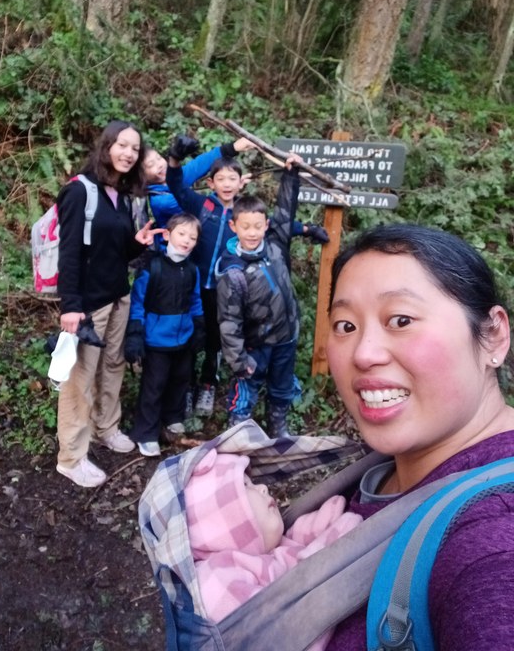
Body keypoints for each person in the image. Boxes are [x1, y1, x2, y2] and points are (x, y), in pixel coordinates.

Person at [323, 222, 513, 651]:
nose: (364, 353)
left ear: (493, 336)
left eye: (401, 319)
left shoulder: (494, 537)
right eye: (345, 325)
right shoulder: (387, 470)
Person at [55, 119, 163, 488]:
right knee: (79, 378)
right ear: (106, 146)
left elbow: (114, 250)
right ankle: (71, 456)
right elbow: (68, 253)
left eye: (135, 148)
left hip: (119, 294)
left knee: (113, 365)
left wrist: (138, 243)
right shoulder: (78, 192)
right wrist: (70, 306)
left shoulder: (119, 196)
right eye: (122, 145)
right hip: (88, 304)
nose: (129, 153)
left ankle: (107, 427)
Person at [184, 448, 361, 649]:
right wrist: (329, 550)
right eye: (245, 485)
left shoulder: (259, 553)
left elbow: (287, 555)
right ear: (218, 519)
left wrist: (317, 526)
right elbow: (283, 633)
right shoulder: (213, 579)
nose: (262, 488)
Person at [214, 154, 304, 438]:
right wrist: (239, 361)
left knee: (282, 387)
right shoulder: (233, 270)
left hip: (285, 338)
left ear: (266, 225)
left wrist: (291, 176)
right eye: (245, 227)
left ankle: (278, 427)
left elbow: (286, 212)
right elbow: (228, 322)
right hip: (255, 345)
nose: (252, 233)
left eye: (258, 226)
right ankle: (238, 432)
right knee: (246, 390)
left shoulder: (276, 246)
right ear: (234, 227)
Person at [166, 136, 251, 418]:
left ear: (241, 183)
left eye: (232, 178)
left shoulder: (243, 214)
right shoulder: (201, 205)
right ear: (211, 183)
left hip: (223, 290)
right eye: (221, 178)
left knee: (216, 340)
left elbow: (271, 226)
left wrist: (306, 229)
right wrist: (174, 161)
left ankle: (207, 384)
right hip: (192, 286)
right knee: (190, 337)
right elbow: (176, 185)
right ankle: (186, 388)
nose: (227, 184)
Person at [125, 213, 205, 458]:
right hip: (156, 339)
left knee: (180, 378)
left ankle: (173, 417)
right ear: (168, 235)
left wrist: (199, 327)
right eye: (182, 234)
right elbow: (137, 303)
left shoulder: (192, 269)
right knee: (154, 385)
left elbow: (195, 300)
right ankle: (146, 433)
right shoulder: (152, 267)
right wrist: (135, 334)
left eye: (193, 237)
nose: (187, 240)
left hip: (183, 337)